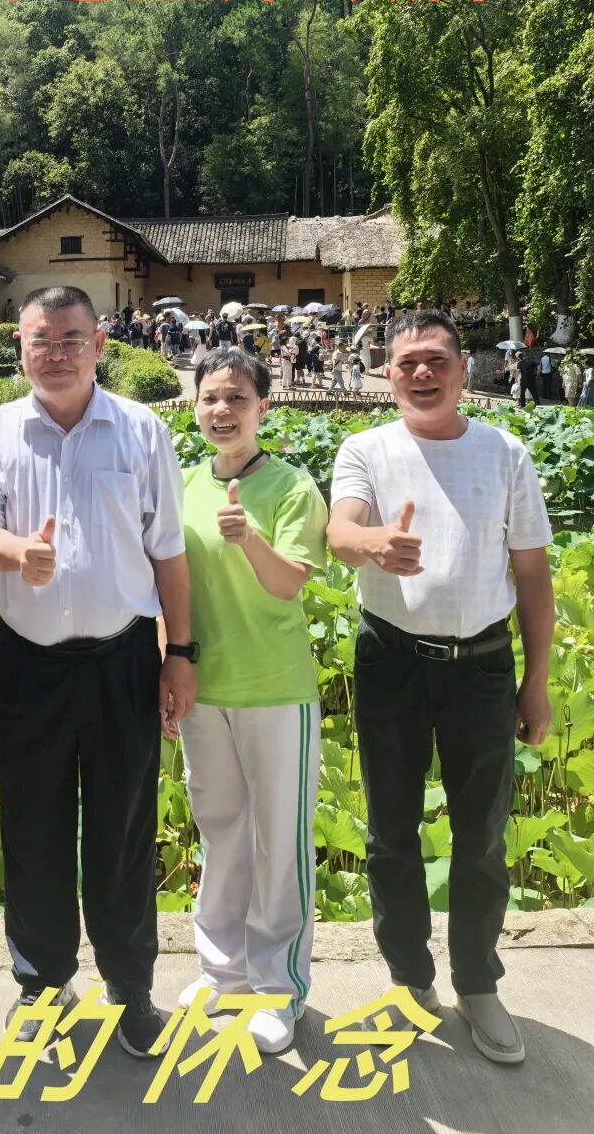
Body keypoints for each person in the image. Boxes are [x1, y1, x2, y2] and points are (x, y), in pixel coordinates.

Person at [0, 286, 195, 1058]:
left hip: (123, 658)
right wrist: (16, 553)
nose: (55, 353)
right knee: (33, 827)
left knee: (125, 827)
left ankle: (130, 985)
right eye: (41, 340)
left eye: (70, 339)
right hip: (28, 664)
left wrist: (179, 654)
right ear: (19, 346)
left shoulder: (141, 429)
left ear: (99, 343)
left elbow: (168, 551)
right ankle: (43, 981)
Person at [326, 310, 553, 1065]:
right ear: (387, 373)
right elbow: (341, 531)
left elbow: (532, 576)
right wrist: (374, 544)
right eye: (407, 363)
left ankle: (478, 984)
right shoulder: (366, 449)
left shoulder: (505, 453)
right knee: (389, 831)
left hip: (483, 666)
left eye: (436, 360)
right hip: (389, 660)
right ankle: (410, 981)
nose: (421, 373)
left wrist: (536, 683)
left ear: (463, 369)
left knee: (482, 834)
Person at [177, 349, 327, 1053]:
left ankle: (279, 988)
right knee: (220, 831)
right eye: (210, 398)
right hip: (203, 688)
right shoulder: (185, 485)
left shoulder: (292, 486)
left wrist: (250, 538)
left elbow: (290, 582)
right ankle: (223, 972)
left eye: (237, 398)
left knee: (279, 840)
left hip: (274, 690)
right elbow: (170, 587)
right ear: (195, 408)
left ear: (263, 407)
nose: (222, 411)